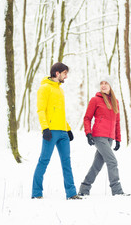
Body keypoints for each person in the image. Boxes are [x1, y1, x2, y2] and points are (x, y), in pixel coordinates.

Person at [32, 62, 81, 200]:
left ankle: (71, 193)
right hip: (51, 132)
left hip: (63, 132)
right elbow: (41, 110)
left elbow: (59, 113)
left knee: (67, 162)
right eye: (65, 73)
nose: (66, 77)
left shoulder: (60, 90)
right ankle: (36, 193)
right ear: (57, 73)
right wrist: (45, 128)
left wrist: (68, 129)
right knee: (44, 161)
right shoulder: (44, 88)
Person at [78, 76, 129, 196]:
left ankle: (84, 189)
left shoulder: (115, 102)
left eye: (106, 83)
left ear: (110, 86)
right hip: (99, 136)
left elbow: (117, 122)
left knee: (97, 165)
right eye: (101, 83)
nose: (103, 85)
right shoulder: (95, 100)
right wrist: (88, 133)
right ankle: (117, 191)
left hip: (109, 138)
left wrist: (118, 139)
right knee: (112, 161)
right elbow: (87, 118)